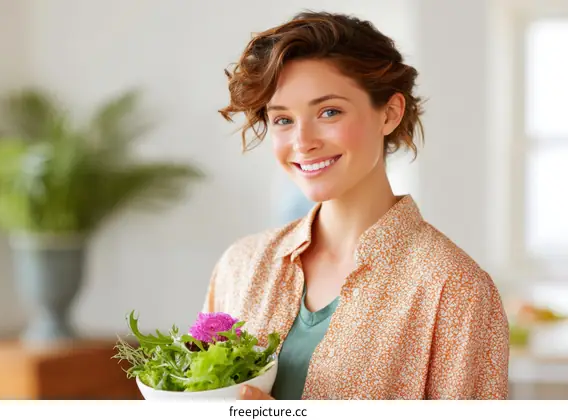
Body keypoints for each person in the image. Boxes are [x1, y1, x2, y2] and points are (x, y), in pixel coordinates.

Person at [203, 11, 509, 400]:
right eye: (282, 119)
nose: (303, 141)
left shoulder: (455, 289)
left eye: (329, 112)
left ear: (390, 113)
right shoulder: (241, 265)